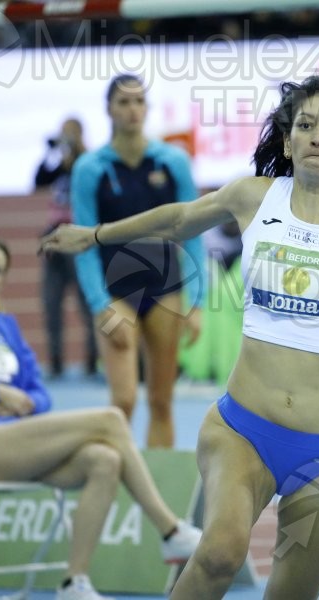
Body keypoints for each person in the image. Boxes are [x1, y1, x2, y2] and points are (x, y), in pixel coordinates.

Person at [41, 72, 319, 600]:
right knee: (218, 556)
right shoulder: (253, 198)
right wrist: (94, 234)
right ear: (287, 139)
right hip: (242, 432)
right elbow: (178, 219)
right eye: (306, 125)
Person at [0, 237, 202, 600]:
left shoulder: (3, 328)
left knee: (104, 459)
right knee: (112, 420)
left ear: (1, 280)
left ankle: (74, 582)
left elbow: (39, 395)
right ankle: (169, 531)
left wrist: (18, 401)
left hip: (20, 443)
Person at [71, 74, 206, 448]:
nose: (133, 110)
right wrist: (99, 305)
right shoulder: (90, 168)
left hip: (165, 288)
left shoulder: (172, 161)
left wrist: (197, 302)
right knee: (124, 401)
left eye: (139, 102)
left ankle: (156, 495)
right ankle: (113, 485)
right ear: (109, 109)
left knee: (161, 402)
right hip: (117, 292)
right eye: (124, 102)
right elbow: (84, 242)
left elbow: (192, 233)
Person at [33, 117, 99, 378]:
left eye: (70, 133)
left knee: (87, 302)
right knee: (51, 301)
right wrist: (51, 152)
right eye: (63, 133)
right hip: (54, 238)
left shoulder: (87, 162)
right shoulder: (58, 164)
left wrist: (76, 149)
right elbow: (38, 180)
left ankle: (92, 362)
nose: (66, 138)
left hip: (79, 237)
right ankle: (56, 362)